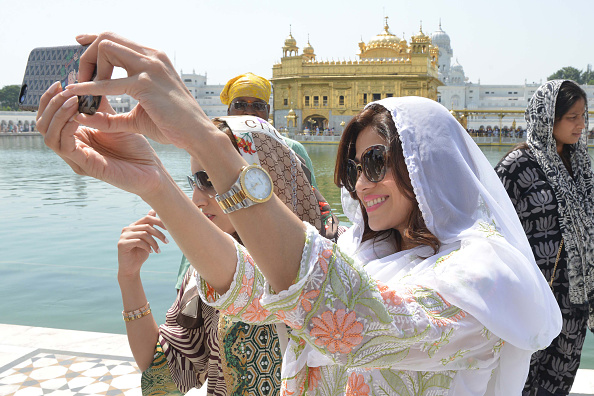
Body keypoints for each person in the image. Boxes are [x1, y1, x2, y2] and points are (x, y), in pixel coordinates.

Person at [38, 33, 561, 395]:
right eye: (354, 165)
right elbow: (251, 290)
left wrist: (201, 134)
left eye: (377, 160)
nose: (360, 181)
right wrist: (153, 182)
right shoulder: (366, 256)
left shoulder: (483, 280)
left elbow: (352, 324)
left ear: (428, 165)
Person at [118, 117, 339, 395]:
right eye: (194, 182)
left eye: (208, 180)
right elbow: (164, 373)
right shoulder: (206, 275)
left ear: (264, 176)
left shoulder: (336, 257)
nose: (197, 199)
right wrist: (129, 278)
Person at [495, 80, 593, 396]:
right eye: (572, 117)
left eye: (584, 116)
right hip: (533, 296)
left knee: (557, 385)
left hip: (574, 300)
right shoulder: (518, 165)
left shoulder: (581, 165)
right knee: (520, 381)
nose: (582, 125)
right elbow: (490, 226)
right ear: (548, 118)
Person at [220, 72, 318, 189]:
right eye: (240, 105)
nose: (249, 111)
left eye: (258, 105)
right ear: (228, 110)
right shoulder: (218, 146)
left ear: (268, 110)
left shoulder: (291, 148)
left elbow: (312, 196)